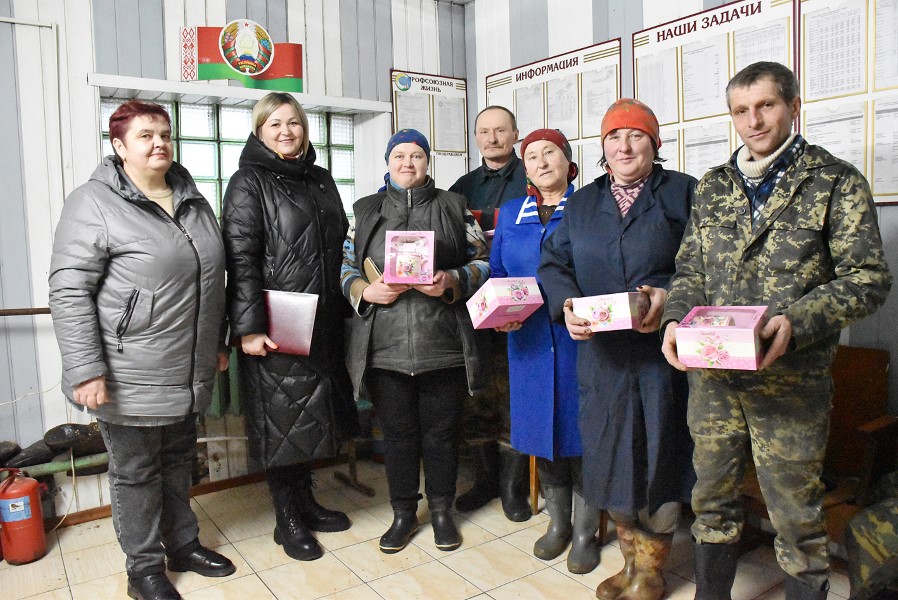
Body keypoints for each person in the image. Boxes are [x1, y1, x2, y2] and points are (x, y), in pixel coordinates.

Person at [660, 62, 892, 599]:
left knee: (795, 512)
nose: (754, 121)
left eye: (766, 105)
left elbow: (868, 278)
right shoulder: (714, 186)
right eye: (741, 110)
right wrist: (674, 319)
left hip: (791, 380)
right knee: (711, 498)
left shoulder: (834, 181)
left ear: (792, 106)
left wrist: (797, 321)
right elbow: (690, 270)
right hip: (713, 377)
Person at [48, 100, 234, 600]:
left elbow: (210, 281)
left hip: (186, 368)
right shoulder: (93, 202)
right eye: (146, 135)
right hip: (126, 371)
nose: (159, 143)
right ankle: (144, 570)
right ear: (119, 146)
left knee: (177, 463)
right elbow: (69, 290)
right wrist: (86, 369)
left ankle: (183, 546)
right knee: (135, 474)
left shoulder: (192, 199)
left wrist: (216, 343)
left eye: (165, 134)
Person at [539, 99, 697, 600]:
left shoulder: (684, 193)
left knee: (662, 458)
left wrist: (668, 297)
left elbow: (706, 264)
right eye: (614, 137)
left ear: (655, 143)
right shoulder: (583, 203)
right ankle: (629, 566)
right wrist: (566, 305)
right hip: (603, 360)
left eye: (636, 136)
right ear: (603, 147)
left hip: (662, 359)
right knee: (611, 460)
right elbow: (553, 264)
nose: (624, 147)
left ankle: (651, 572)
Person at [221, 92, 359, 563]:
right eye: (275, 124)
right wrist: (248, 328)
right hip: (275, 324)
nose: (286, 131)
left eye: (294, 122)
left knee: (309, 419)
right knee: (280, 421)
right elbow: (240, 259)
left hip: (321, 323)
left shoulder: (321, 179)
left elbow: (340, 244)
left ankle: (307, 503)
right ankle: (288, 519)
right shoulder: (248, 182)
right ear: (259, 131)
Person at [341, 129, 489, 554]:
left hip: (443, 344)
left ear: (428, 161)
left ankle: (442, 511)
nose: (408, 163)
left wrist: (451, 280)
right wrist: (365, 291)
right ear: (388, 162)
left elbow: (483, 262)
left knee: (442, 435)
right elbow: (344, 266)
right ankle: (404, 513)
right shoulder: (365, 211)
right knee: (398, 436)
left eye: (417, 155)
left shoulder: (455, 207)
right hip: (384, 347)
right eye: (400, 155)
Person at [490, 128, 601, 572]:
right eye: (531, 156)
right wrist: (501, 313)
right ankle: (558, 524)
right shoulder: (511, 213)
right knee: (544, 433)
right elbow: (498, 273)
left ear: (568, 162)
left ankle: (586, 532)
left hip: (581, 340)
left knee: (583, 435)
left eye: (549, 152)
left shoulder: (591, 207)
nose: (540, 161)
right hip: (529, 340)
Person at [449, 106, 530, 521]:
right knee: (478, 394)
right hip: (475, 309)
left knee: (515, 398)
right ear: (476, 137)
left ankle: (513, 488)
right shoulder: (461, 188)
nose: (492, 138)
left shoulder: (533, 176)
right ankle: (484, 481)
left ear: (515, 134)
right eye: (484, 131)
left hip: (523, 309)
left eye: (500, 130)